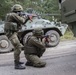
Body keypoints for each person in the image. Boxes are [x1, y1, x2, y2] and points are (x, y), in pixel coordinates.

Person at [4, 4, 27, 69]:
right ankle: (16, 64)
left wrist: (25, 17)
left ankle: (18, 61)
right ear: (17, 11)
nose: (21, 13)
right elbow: (22, 21)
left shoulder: (12, 15)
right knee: (18, 47)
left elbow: (22, 23)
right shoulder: (13, 15)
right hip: (11, 34)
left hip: (12, 33)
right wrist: (25, 17)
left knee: (17, 47)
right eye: (20, 11)